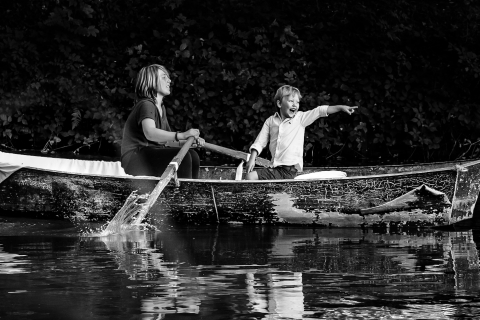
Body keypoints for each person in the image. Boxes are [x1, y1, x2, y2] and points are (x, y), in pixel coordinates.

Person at [245, 85, 358, 180]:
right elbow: (260, 142)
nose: (295, 105)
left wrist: (341, 107)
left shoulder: (300, 118)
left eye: (297, 102)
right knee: (250, 175)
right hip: (275, 168)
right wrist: (252, 159)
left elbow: (319, 111)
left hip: (289, 171)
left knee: (250, 177)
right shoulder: (271, 121)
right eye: (290, 101)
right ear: (279, 104)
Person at [121, 64, 205, 178]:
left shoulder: (161, 107)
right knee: (184, 157)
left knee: (193, 155)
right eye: (164, 77)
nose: (169, 80)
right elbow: (150, 133)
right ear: (152, 81)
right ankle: (183, 194)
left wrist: (189, 142)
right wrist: (183, 134)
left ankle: (191, 193)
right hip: (135, 157)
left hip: (151, 152)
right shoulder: (146, 104)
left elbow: (168, 142)